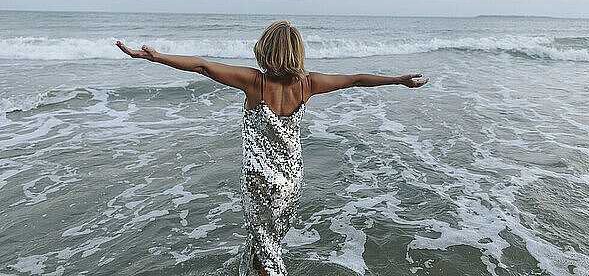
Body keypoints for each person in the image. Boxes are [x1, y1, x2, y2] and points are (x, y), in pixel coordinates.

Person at [115, 20, 428, 276]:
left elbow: (203, 67)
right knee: (267, 242)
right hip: (291, 181)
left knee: (267, 249)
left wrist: (157, 57)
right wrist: (397, 80)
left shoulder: (255, 82)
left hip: (259, 181)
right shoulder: (309, 83)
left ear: (264, 51)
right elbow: (357, 79)